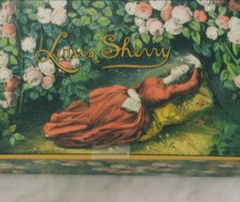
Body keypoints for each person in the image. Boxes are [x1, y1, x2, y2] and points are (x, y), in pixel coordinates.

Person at [43, 56, 202, 149]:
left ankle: (61, 131)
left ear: (182, 78)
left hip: (136, 110)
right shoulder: (157, 80)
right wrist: (132, 91)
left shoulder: (171, 90)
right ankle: (59, 125)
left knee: (103, 115)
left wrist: (198, 65)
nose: (178, 69)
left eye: (182, 71)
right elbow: (137, 88)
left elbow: (193, 84)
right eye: (180, 67)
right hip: (127, 95)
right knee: (97, 104)